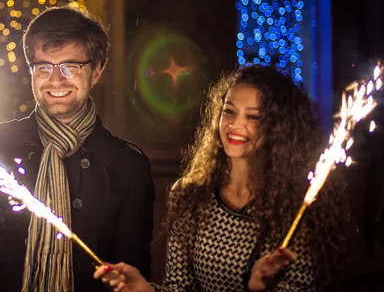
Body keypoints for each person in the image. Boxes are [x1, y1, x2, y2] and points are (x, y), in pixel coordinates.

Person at [0, 5, 155, 292]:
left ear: (96, 71)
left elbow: (132, 270)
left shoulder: (127, 165)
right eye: (44, 67)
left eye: (70, 67)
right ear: (32, 71)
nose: (56, 80)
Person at [94, 65, 350, 291]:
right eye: (229, 112)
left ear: (279, 128)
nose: (235, 125)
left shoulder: (299, 210)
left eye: (253, 117)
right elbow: (180, 287)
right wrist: (147, 290)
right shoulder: (189, 197)